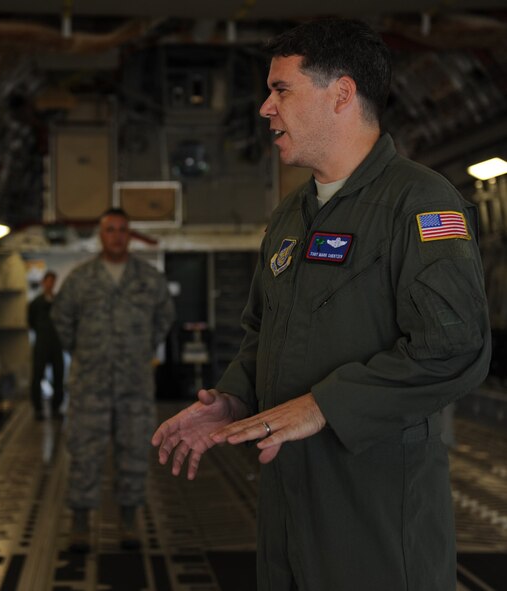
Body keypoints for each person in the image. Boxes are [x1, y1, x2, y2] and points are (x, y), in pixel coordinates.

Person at [152, 18, 491, 591]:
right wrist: (234, 399)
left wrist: (323, 405)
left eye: (280, 89)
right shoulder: (290, 217)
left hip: (374, 506)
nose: (265, 108)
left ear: (341, 93)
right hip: (288, 498)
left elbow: (454, 348)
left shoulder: (420, 203)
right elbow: (262, 332)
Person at [52, 208, 175, 552]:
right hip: (90, 386)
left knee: (134, 452)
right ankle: (79, 525)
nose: (117, 235)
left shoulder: (149, 279)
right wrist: (86, 352)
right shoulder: (80, 279)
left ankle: (129, 521)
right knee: (84, 453)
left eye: (123, 229)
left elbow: (164, 318)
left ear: (130, 234)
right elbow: (62, 320)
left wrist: (139, 349)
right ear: (100, 234)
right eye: (110, 229)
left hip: (135, 387)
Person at [27, 270, 64, 420]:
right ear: (43, 282)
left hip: (56, 343)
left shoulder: (59, 302)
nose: (50, 284)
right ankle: (38, 408)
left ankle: (56, 407)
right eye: (48, 281)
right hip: (42, 342)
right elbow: (31, 322)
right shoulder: (35, 303)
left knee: (58, 376)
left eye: (52, 281)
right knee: (38, 375)